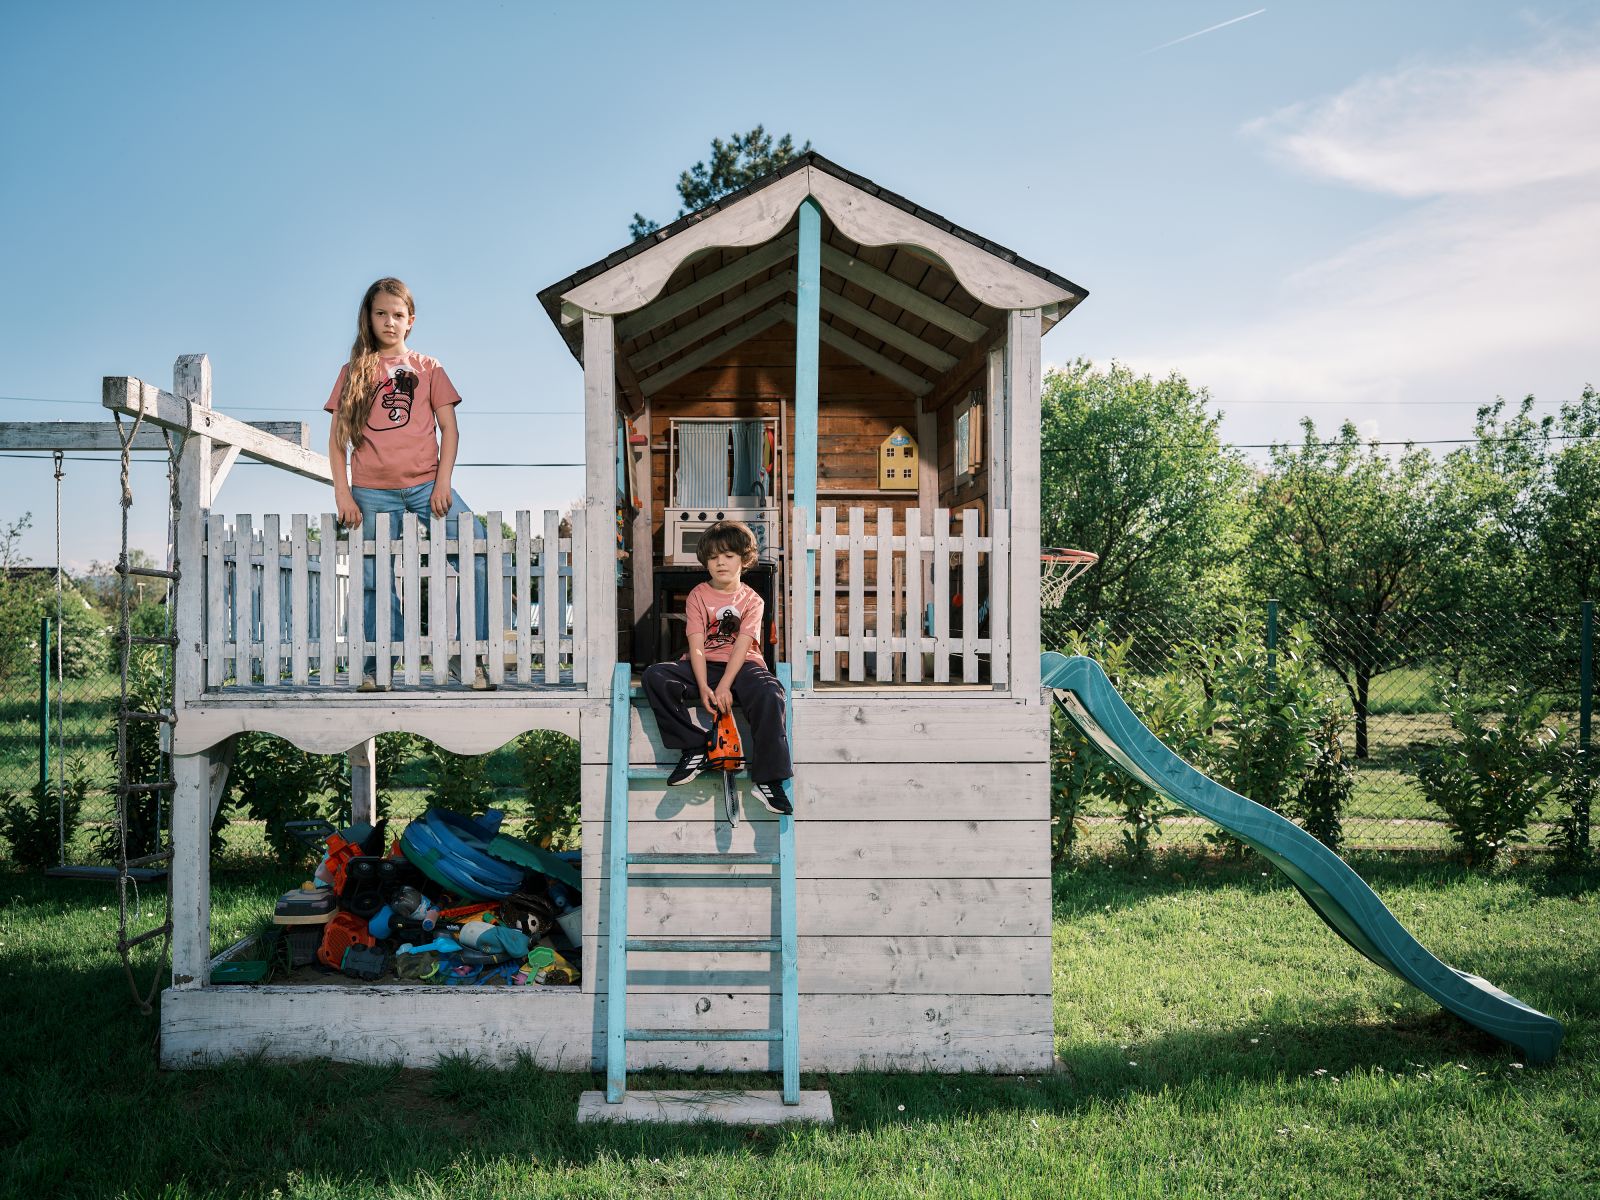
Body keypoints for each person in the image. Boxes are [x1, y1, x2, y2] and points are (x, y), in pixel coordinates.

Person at [325, 277, 494, 691]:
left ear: (411, 320)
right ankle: (378, 663)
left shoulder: (429, 368)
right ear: (368, 318)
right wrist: (343, 493)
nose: (389, 321)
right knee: (373, 578)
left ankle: (468, 654)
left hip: (426, 485)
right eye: (381, 313)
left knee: (477, 550)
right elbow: (337, 439)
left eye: (397, 315)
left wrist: (443, 482)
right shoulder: (353, 372)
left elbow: (450, 430)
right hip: (370, 491)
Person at [642, 520, 793, 814]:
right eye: (713, 557)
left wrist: (724, 685)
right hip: (705, 665)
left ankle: (769, 780)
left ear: (744, 559)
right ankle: (695, 747)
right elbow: (696, 645)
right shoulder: (698, 595)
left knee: (769, 692)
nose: (720, 562)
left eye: (728, 555)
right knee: (655, 676)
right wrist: (703, 686)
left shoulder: (753, 600)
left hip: (743, 664)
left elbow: (743, 645)